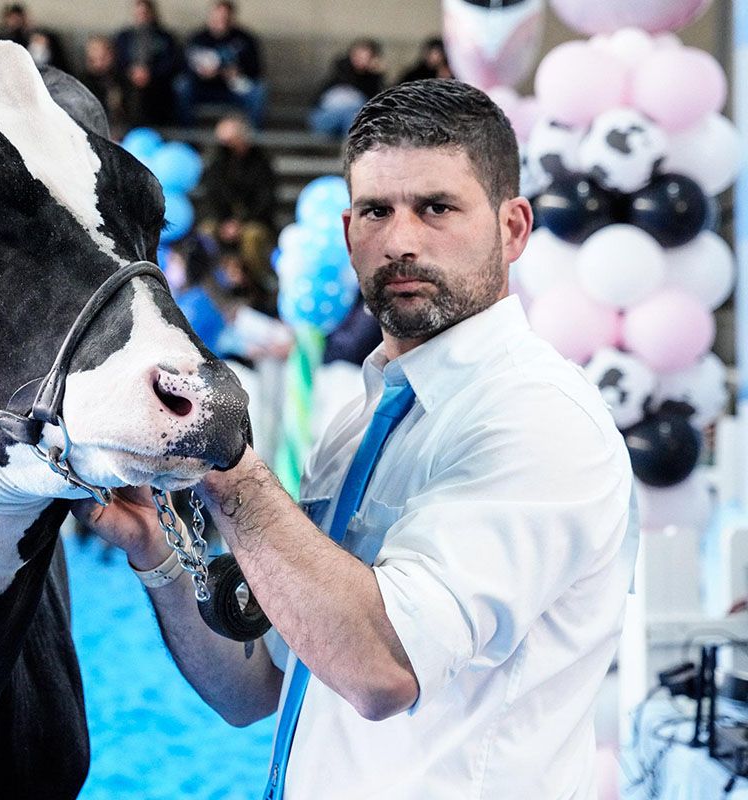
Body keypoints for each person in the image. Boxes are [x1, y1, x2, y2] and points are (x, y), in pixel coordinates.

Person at [76, 79, 637, 798]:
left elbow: (381, 668)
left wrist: (225, 464)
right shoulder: (361, 422)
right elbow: (261, 685)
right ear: (349, 234)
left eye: (437, 208)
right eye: (377, 210)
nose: (400, 240)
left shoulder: (539, 419)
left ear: (513, 228)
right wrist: (156, 551)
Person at [196, 114, 276, 312]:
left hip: (254, 220)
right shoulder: (217, 163)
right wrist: (224, 222)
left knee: (252, 236)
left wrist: (240, 223)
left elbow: (265, 199)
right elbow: (211, 196)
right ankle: (211, 283)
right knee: (206, 231)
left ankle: (261, 284)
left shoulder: (261, 163)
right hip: (222, 221)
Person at [175, 1, 265, 128]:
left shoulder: (245, 39)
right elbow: (184, 68)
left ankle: (252, 140)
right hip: (203, 88)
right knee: (182, 86)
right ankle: (188, 135)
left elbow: (257, 70)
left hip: (234, 90)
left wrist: (238, 72)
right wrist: (200, 74)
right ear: (210, 17)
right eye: (218, 17)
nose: (222, 21)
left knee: (258, 91)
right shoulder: (197, 39)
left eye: (226, 17)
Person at [113, 0, 180, 127]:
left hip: (158, 81)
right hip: (129, 80)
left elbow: (171, 63)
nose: (142, 16)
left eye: (144, 13)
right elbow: (119, 61)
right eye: (139, 13)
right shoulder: (124, 37)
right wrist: (133, 72)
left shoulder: (165, 37)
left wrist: (150, 73)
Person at [309, 37, 385, 139]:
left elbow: (374, 100)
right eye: (358, 54)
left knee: (353, 118)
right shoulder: (342, 68)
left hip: (353, 117)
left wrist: (376, 75)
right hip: (328, 114)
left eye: (365, 56)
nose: (360, 59)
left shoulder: (372, 78)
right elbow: (346, 83)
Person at [78, 36, 128, 133]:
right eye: (94, 59)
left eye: (103, 57)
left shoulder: (122, 79)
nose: (99, 63)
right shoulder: (81, 83)